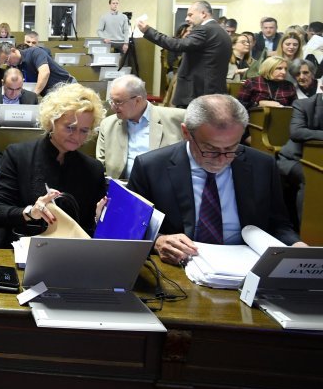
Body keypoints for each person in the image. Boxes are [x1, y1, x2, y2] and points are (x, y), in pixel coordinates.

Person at [127, 94, 305, 265]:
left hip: (247, 264)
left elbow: (279, 224)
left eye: (231, 148)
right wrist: (158, 241)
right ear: (186, 133)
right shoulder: (150, 167)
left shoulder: (262, 165)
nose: (221, 159)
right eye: (210, 149)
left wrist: (296, 246)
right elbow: (130, 228)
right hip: (181, 267)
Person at [0, 83, 106, 248]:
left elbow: (90, 228)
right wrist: (30, 212)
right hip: (20, 246)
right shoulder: (18, 155)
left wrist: (100, 219)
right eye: (70, 128)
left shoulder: (94, 169)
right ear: (52, 122)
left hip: (71, 252)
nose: (76, 136)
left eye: (84, 130)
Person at [137, 0, 230, 108]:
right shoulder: (222, 32)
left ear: (203, 14)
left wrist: (147, 30)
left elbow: (177, 45)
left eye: (190, 15)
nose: (187, 19)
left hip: (197, 93)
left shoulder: (205, 29)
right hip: (214, 91)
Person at [96, 75, 185, 179]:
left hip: (164, 187)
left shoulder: (178, 118)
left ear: (137, 100)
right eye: (112, 101)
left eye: (118, 102)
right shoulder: (108, 125)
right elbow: (101, 167)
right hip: (125, 187)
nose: (113, 107)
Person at [277, 89, 323, 225]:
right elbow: (297, 132)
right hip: (295, 159)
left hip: (320, 161)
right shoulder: (304, 104)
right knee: (313, 179)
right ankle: (306, 231)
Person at [0, 39, 72, 96]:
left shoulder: (35, 52)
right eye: (4, 63)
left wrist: (33, 95)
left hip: (66, 86)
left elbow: (45, 72)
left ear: (13, 50)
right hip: (50, 93)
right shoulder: (14, 67)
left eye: (7, 60)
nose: (8, 63)